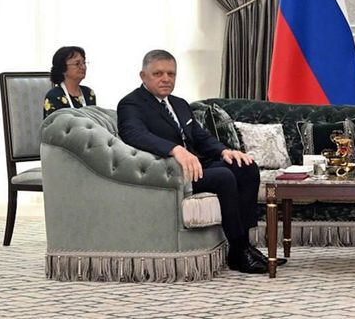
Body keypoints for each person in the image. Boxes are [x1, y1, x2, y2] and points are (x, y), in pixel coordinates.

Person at [117, 49, 284, 274]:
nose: (166, 79)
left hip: (197, 165)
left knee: (245, 167)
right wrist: (174, 149)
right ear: (143, 76)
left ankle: (245, 246)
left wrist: (225, 151)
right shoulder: (131, 104)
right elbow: (134, 134)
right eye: (158, 73)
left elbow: (201, 136)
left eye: (171, 74)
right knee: (224, 177)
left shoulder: (179, 103)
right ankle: (238, 250)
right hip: (170, 171)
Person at [44, 46, 96, 118]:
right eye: (77, 64)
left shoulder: (89, 93)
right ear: (63, 68)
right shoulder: (54, 96)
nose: (83, 67)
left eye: (84, 62)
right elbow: (53, 124)